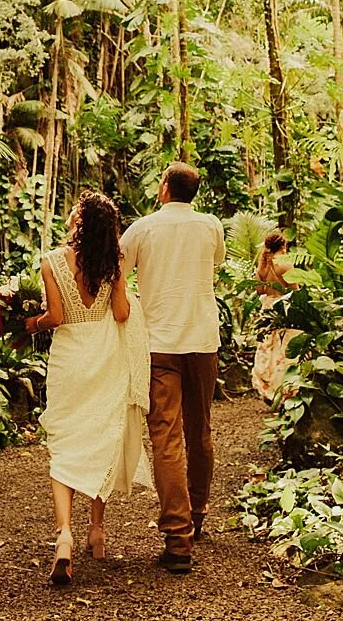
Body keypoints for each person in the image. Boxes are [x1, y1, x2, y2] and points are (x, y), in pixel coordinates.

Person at [25, 192, 149, 585]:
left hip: (70, 359)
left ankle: (64, 534)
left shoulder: (51, 261)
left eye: (75, 210)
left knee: (64, 443)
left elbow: (56, 316)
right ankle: (97, 530)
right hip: (105, 357)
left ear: (80, 220)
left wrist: (30, 324)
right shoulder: (112, 263)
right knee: (101, 438)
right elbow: (122, 313)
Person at [120, 162, 226, 574]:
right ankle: (196, 514)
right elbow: (216, 262)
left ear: (164, 188)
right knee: (200, 431)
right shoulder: (211, 225)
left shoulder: (142, 229)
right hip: (202, 341)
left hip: (160, 345)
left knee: (166, 437)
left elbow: (117, 273)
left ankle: (178, 538)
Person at [250, 231, 299, 401]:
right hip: (283, 309)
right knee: (284, 351)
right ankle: (285, 390)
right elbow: (295, 291)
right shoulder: (285, 263)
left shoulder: (263, 266)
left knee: (269, 350)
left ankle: (269, 388)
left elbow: (259, 290)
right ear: (283, 245)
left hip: (267, 309)